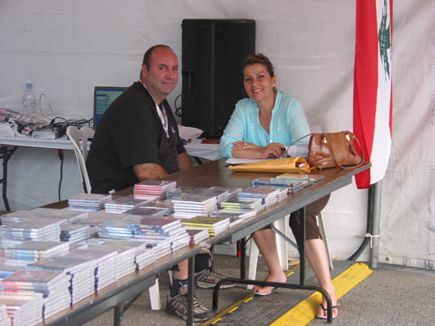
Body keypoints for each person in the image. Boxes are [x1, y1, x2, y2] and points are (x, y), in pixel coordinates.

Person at [87, 44, 231, 322]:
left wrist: (197, 188)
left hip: (142, 190)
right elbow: (146, 172)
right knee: (181, 209)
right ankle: (179, 292)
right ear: (144, 71)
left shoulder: (160, 105)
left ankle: (198, 267)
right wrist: (186, 196)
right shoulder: (133, 106)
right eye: (162, 67)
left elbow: (178, 154)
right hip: (119, 197)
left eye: (174, 69)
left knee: (199, 198)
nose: (170, 75)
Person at [219, 53, 338, 319]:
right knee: (252, 203)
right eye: (248, 79)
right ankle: (276, 272)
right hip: (265, 183)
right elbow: (225, 147)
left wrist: (251, 148)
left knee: (301, 213)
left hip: (308, 181)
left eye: (261, 77)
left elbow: (301, 149)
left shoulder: (289, 106)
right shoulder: (243, 107)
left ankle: (328, 290)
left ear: (274, 80)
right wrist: (262, 151)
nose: (254, 84)